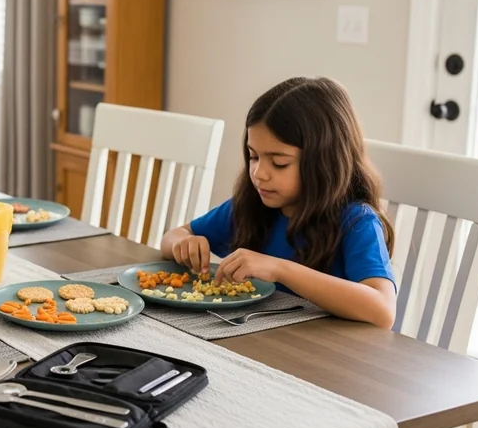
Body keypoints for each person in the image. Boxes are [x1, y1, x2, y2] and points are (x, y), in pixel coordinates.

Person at [159, 77, 397, 329]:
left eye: (279, 162)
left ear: (324, 161)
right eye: (253, 156)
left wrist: (280, 269)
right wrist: (185, 244)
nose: (259, 173)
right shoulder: (252, 206)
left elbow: (382, 310)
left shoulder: (356, 221)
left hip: (322, 356)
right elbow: (173, 236)